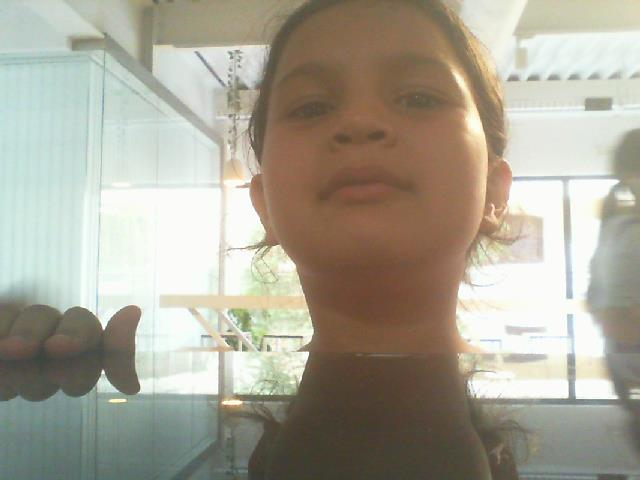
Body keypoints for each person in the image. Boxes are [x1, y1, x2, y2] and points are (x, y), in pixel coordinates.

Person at [0, 0, 523, 477]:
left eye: (418, 97)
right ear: (264, 203)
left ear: (493, 191)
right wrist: (52, 365)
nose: (361, 121)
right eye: (311, 107)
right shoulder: (110, 386)